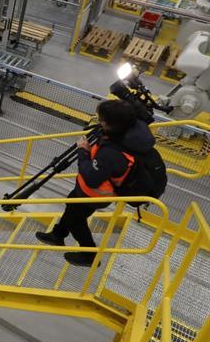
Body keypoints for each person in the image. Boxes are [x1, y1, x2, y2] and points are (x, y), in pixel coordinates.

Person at [35, 99, 157, 266]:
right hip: (88, 189)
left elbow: (92, 178)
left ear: (108, 124)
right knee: (71, 205)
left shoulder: (111, 153)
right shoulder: (128, 130)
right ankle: (58, 234)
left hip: (94, 194)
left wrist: (82, 152)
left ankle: (89, 254)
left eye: (101, 119)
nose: (98, 121)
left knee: (76, 220)